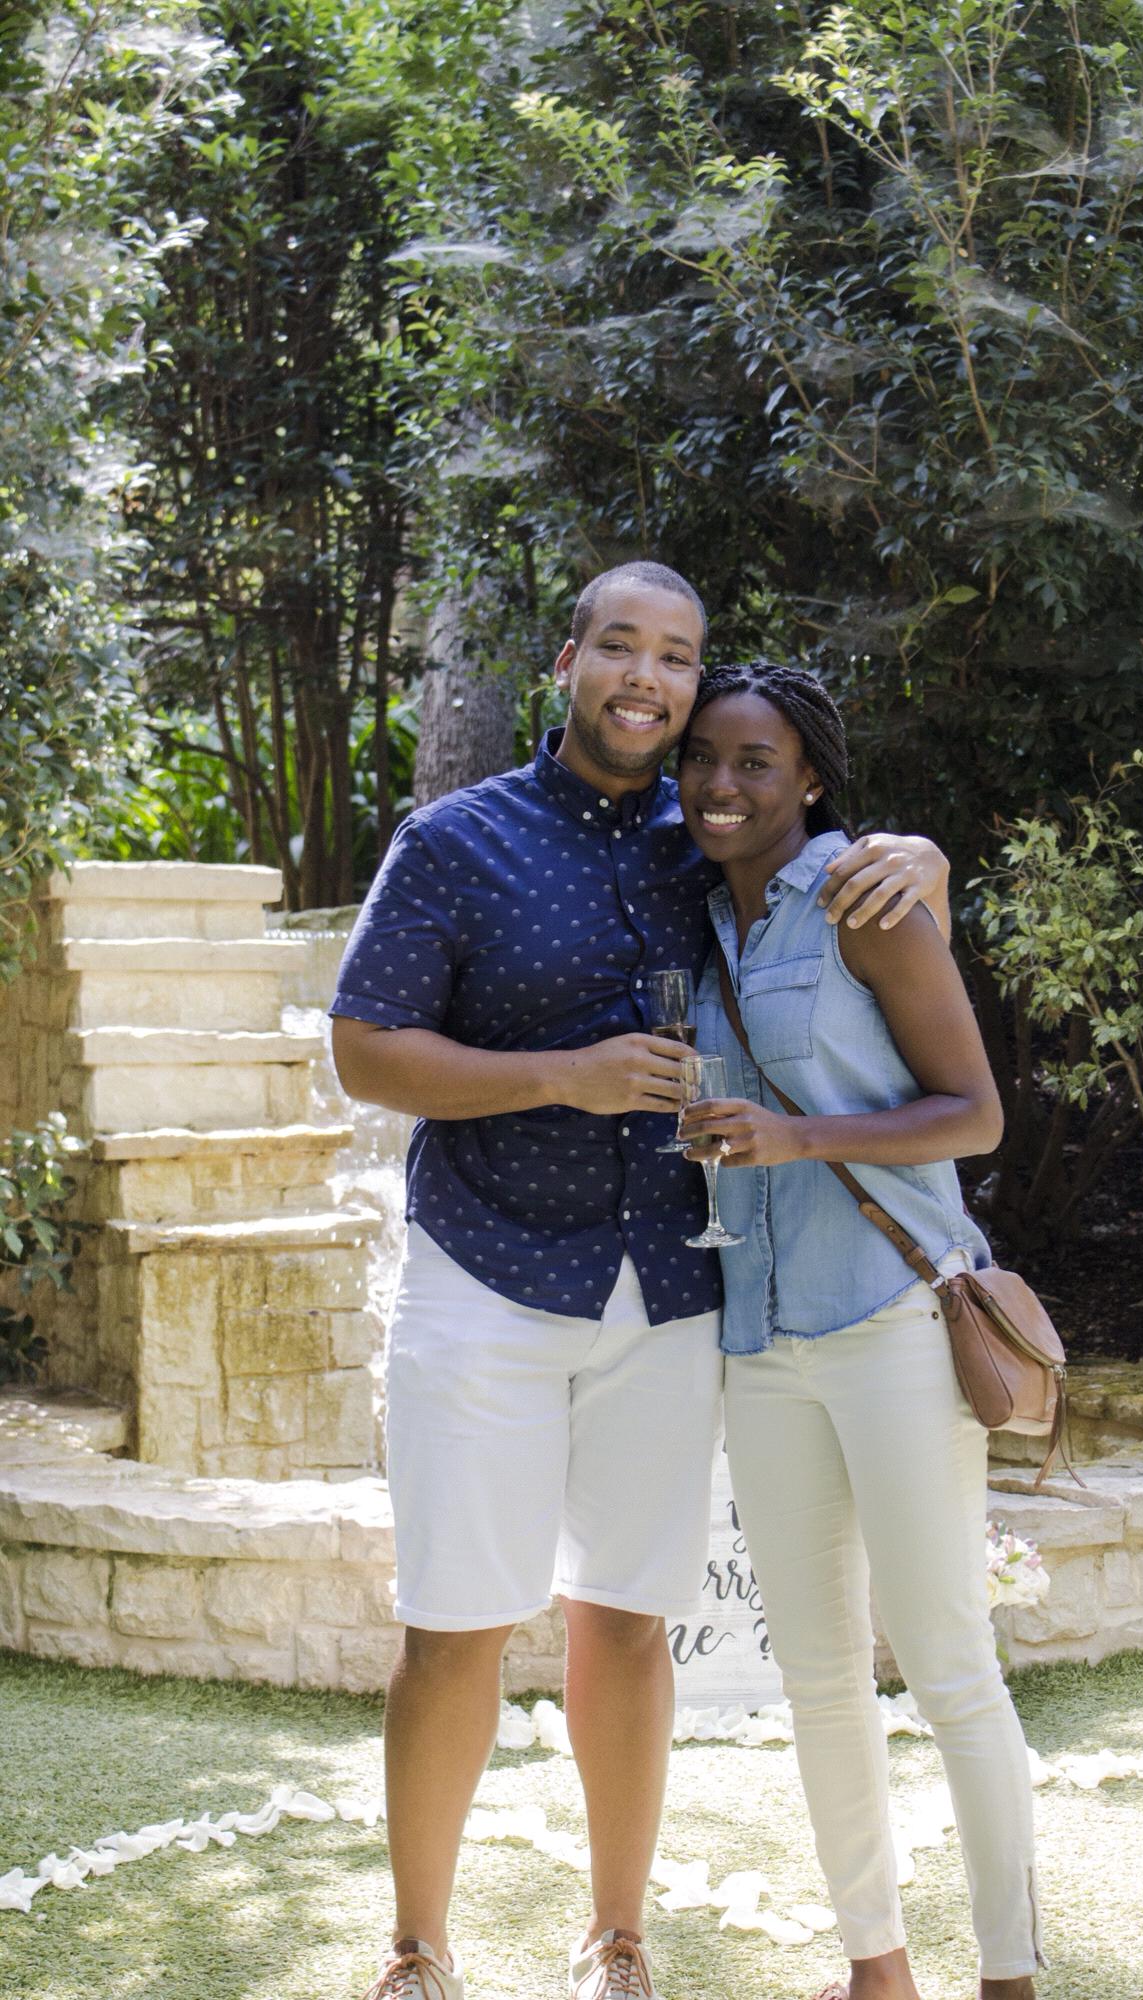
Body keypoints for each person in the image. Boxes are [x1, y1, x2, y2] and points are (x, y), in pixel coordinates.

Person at [328, 563, 952, 2000]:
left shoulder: (719, 839)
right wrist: (566, 1074)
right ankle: (417, 1950)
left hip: (668, 1286)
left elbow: (855, 894)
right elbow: (365, 1051)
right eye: (621, 645)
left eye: (676, 657)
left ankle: (617, 1940)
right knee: (455, 1623)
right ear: (568, 664)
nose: (647, 677)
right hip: (485, 1272)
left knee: (624, 1616)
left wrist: (919, 854)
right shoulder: (453, 841)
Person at [677, 660, 1042, 2000]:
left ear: (812, 779)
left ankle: (1006, 1975)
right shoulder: (690, 912)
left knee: (948, 1665)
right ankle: (875, 1969)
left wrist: (796, 1137)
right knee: (819, 1678)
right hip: (759, 1338)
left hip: (891, 1317)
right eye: (701, 757)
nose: (720, 783)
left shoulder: (862, 898)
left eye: (754, 761)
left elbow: (975, 1114)